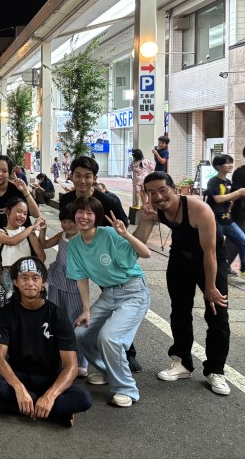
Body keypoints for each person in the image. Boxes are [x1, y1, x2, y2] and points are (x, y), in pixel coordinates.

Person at [134, 172, 230, 395]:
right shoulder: (154, 209)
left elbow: (210, 252)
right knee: (179, 311)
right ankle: (182, 362)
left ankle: (215, 370)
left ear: (174, 188)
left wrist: (210, 286)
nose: (158, 197)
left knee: (217, 314)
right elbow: (138, 244)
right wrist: (145, 219)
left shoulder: (199, 210)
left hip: (210, 260)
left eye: (163, 190)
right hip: (179, 258)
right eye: (151, 192)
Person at [0, 257, 93, 426]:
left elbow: (71, 366)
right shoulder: (6, 313)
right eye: (24, 278)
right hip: (19, 376)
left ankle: (13, 406)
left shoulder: (58, 315)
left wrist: (50, 395)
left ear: (43, 282)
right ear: (16, 282)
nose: (30, 283)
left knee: (84, 398)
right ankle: (51, 412)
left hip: (49, 379)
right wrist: (19, 389)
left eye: (35, 278)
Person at [68, 196, 151, 408]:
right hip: (109, 294)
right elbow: (81, 278)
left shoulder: (109, 234)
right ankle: (109, 372)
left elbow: (145, 253)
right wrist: (86, 310)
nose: (84, 217)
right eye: (80, 212)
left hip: (133, 291)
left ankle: (126, 389)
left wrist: (125, 234)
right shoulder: (75, 244)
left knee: (109, 337)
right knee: (81, 333)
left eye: (89, 213)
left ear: (96, 217)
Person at [38, 207, 89, 376]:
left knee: (76, 321)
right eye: (63, 221)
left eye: (70, 221)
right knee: (56, 319)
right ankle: (57, 358)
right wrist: (43, 230)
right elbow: (44, 244)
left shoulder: (83, 238)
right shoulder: (62, 235)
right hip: (57, 280)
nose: (66, 225)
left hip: (75, 283)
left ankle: (81, 362)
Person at [0, 198, 46, 295]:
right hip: (8, 275)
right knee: (11, 301)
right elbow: (12, 241)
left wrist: (33, 272)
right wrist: (31, 227)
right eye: (19, 211)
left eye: (25, 213)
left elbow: (41, 256)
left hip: (27, 273)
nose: (22, 216)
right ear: (7, 211)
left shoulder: (29, 232)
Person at [0, 155, 40, 246]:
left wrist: (25, 191)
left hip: (22, 241)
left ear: (9, 173)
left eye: (4, 171)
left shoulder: (16, 189)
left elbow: (36, 214)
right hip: (2, 241)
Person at [205, 153, 245, 277]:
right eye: (227, 163)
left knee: (243, 241)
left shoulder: (228, 181)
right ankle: (216, 270)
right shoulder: (213, 181)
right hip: (215, 220)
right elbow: (217, 199)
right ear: (218, 166)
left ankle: (243, 269)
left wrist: (236, 197)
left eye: (231, 162)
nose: (231, 165)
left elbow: (230, 198)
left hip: (227, 220)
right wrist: (238, 192)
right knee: (216, 246)